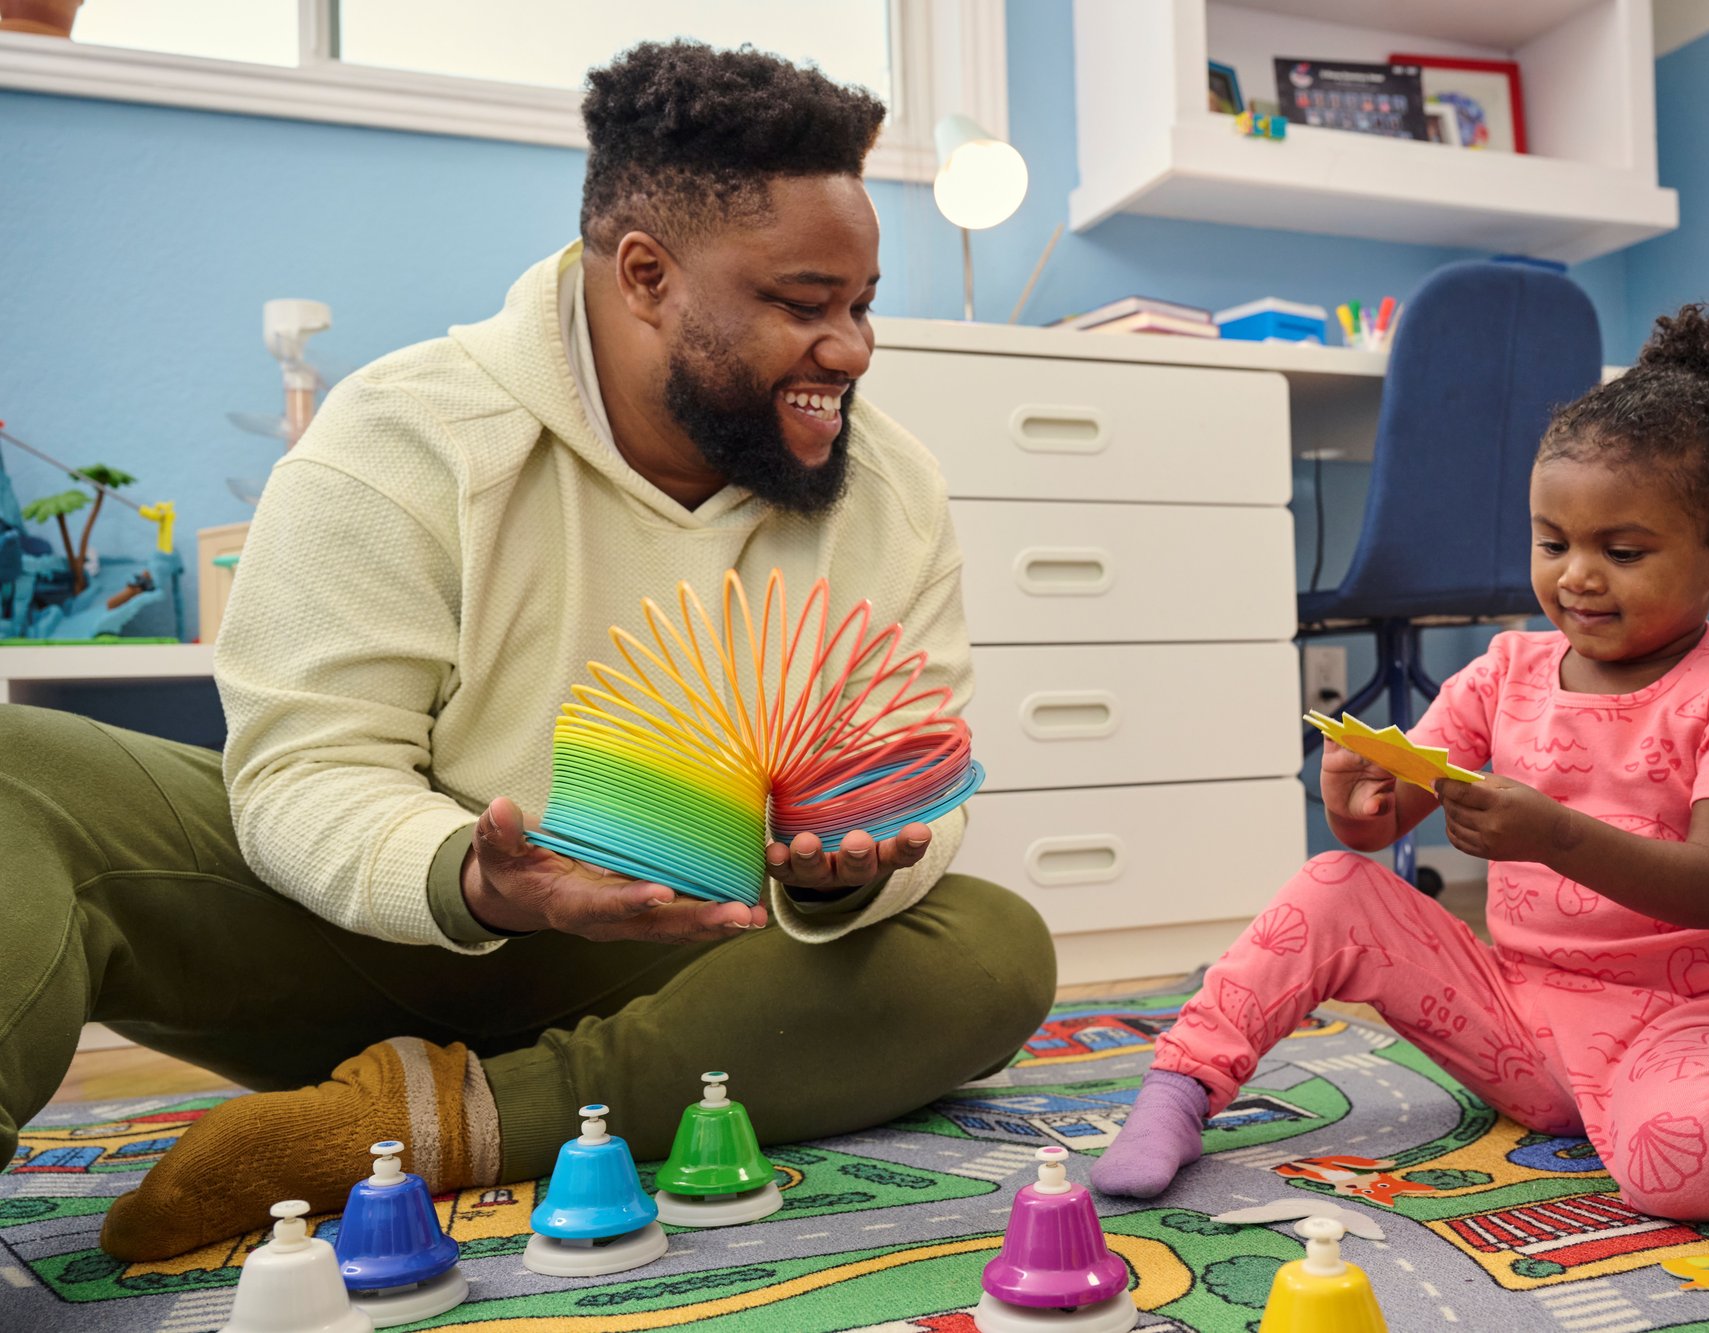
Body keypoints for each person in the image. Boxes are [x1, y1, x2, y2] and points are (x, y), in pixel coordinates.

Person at [0, 40, 1055, 1262]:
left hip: (687, 974)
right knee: (17, 772)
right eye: (802, 305)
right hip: (391, 936)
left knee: (991, 947)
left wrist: (844, 880)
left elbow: (923, 778)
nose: (852, 351)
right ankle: (473, 1082)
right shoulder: (405, 436)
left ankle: (425, 1124)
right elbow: (302, 774)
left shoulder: (893, 490)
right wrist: (470, 874)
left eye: (861, 305)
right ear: (647, 275)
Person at [1093, 295, 1709, 1215]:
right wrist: (1354, 799)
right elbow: (1380, 829)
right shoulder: (1505, 671)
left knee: (1687, 1168)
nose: (1576, 575)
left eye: (1623, 549)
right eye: (1552, 541)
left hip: (1680, 1025)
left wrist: (1555, 835)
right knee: (1329, 885)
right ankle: (1181, 1089)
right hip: (1514, 1018)